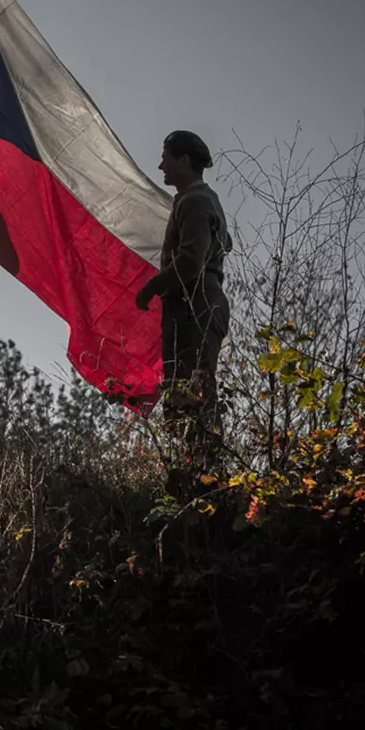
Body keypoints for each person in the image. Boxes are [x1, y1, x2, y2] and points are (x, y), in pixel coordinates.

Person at [134, 130, 233, 494]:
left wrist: (153, 286)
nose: (161, 164)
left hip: (195, 305)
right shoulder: (199, 201)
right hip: (196, 305)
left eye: (166, 157)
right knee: (187, 394)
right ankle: (197, 478)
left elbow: (190, 261)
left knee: (191, 396)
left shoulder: (195, 202)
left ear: (184, 161)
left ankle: (205, 483)